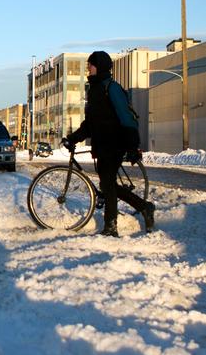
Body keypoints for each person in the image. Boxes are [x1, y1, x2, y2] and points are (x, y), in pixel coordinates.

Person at [62, 51, 155, 234]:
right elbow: (90, 124)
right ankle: (144, 207)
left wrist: (132, 145)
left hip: (115, 144)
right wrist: (73, 138)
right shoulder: (94, 90)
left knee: (107, 184)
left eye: (91, 64)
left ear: (101, 66)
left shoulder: (111, 88)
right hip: (102, 145)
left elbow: (127, 118)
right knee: (108, 184)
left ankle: (111, 226)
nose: (88, 67)